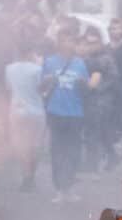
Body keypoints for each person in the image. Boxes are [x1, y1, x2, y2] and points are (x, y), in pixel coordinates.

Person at [39, 29, 91, 197]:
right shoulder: (49, 62)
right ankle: (59, 189)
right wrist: (47, 80)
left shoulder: (80, 63)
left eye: (71, 41)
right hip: (55, 112)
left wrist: (84, 83)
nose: (69, 44)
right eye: (65, 40)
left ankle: (68, 187)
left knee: (74, 152)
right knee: (57, 151)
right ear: (59, 43)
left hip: (75, 113)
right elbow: (41, 87)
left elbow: (87, 89)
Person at [3, 36, 47, 192]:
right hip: (36, 111)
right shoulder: (38, 70)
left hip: (17, 110)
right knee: (35, 145)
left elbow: (9, 88)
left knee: (21, 145)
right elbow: (42, 89)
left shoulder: (9, 69)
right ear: (31, 52)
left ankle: (25, 175)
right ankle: (31, 176)